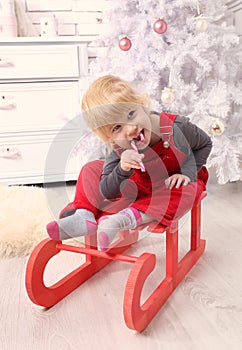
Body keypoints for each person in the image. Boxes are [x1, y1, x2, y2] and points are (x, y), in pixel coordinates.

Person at [46, 75, 212, 251]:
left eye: (131, 114)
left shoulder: (176, 127)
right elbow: (107, 192)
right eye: (117, 128)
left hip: (171, 186)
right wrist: (122, 168)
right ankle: (83, 215)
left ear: (141, 104)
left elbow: (204, 144)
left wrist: (186, 172)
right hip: (140, 185)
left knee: (189, 189)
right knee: (91, 168)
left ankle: (124, 219)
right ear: (109, 138)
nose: (130, 128)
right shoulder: (118, 148)